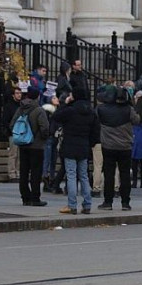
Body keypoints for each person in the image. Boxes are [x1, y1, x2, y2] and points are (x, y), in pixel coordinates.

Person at [52, 85, 100, 214]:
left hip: (69, 145)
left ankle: (72, 205)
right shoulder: (91, 112)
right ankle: (87, 204)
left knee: (71, 175)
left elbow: (56, 117)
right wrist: (90, 143)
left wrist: (64, 104)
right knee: (83, 176)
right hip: (84, 146)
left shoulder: (70, 110)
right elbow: (96, 133)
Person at [95, 85, 140, 211]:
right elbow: (137, 120)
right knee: (125, 174)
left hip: (108, 145)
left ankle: (107, 202)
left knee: (109, 174)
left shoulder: (101, 109)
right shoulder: (128, 109)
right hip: (125, 146)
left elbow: (96, 121)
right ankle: (125, 202)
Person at [11, 86, 50, 206]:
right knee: (35, 173)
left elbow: (12, 123)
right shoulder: (39, 110)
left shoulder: (21, 108)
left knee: (24, 172)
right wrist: (43, 137)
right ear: (38, 96)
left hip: (23, 144)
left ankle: (25, 197)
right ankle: (35, 198)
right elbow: (45, 128)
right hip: (36, 146)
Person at [0, 87, 23, 181]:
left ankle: (18, 172)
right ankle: (12, 173)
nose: (19, 95)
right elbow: (5, 120)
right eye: (17, 93)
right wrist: (10, 129)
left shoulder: (22, 105)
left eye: (20, 93)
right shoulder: (9, 106)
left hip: (22, 132)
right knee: (13, 154)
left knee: (20, 154)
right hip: (13, 133)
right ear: (13, 95)